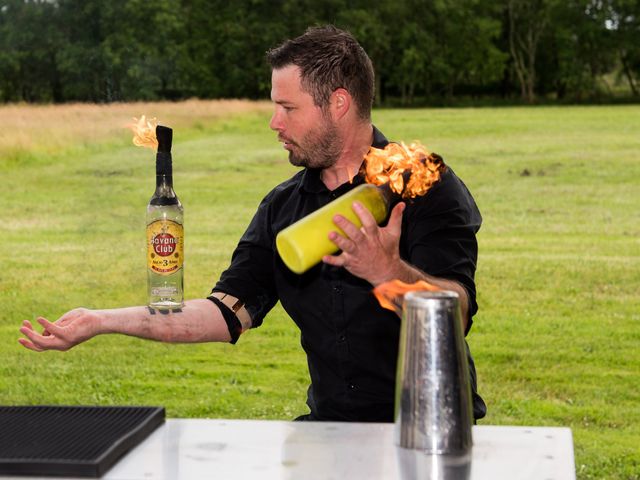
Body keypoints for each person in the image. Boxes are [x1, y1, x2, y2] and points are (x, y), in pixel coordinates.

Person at [19, 25, 486, 422]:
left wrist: (388, 272)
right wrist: (99, 321)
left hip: (431, 431)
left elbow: (457, 312)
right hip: (329, 432)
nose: (273, 122)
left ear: (338, 104)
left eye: (288, 108)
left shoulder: (420, 183)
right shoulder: (283, 209)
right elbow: (224, 314)